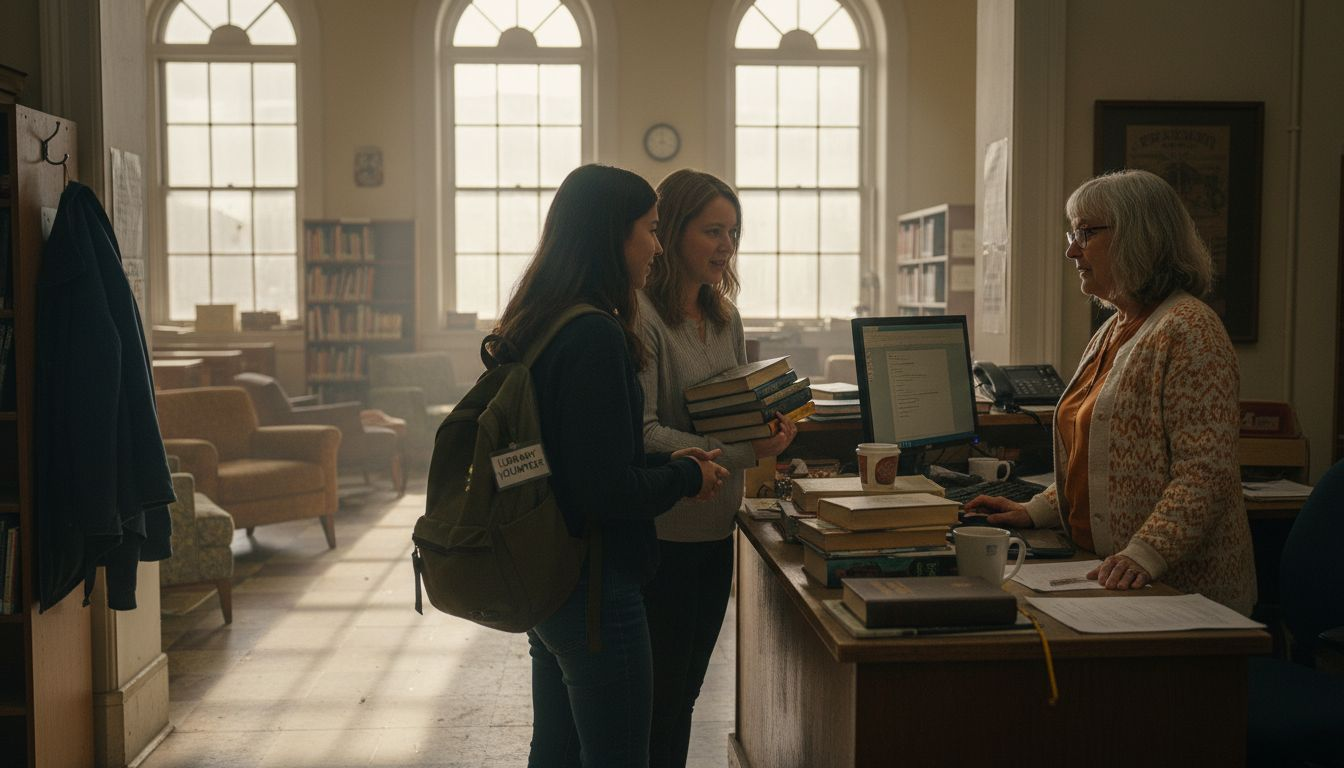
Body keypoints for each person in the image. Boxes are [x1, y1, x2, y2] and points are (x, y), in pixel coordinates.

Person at [489, 164, 730, 768]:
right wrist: (687, 476)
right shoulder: (596, 334)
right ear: (611, 236)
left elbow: (568, 458)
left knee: (558, 749)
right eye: (649, 230)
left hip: (547, 569)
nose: (656, 244)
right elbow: (605, 486)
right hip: (596, 583)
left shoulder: (541, 320)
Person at [963, 169, 1256, 614]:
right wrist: (1037, 511)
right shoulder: (1113, 330)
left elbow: (1205, 474)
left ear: (1140, 236)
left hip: (1178, 592)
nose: (1071, 250)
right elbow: (1094, 459)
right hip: (1111, 580)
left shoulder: (1192, 330)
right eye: (1072, 232)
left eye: (1085, 233)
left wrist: (1144, 554)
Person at [636, 169, 798, 768]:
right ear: (673, 232)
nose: (726, 245)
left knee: (683, 697)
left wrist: (772, 430)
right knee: (657, 703)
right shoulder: (643, 319)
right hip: (662, 534)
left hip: (716, 530)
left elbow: (737, 410)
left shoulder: (725, 316)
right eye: (712, 230)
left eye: (733, 231)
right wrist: (743, 452)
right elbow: (645, 432)